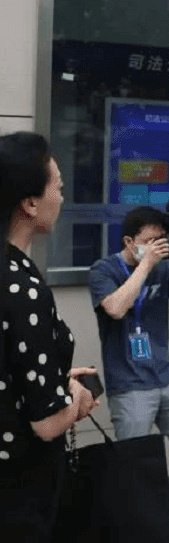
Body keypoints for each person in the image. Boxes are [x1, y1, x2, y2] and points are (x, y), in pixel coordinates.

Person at [0, 132, 98, 541]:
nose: (62, 196)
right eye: (57, 186)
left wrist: (55, 377)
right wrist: (74, 395)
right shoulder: (22, 287)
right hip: (20, 492)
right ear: (30, 202)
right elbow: (46, 423)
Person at [89, 206, 169, 542]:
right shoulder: (103, 270)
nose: (157, 246)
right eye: (150, 240)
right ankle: (138, 531)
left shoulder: (163, 267)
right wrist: (146, 265)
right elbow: (115, 308)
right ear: (129, 242)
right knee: (134, 466)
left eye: (161, 240)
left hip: (165, 375)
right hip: (129, 383)